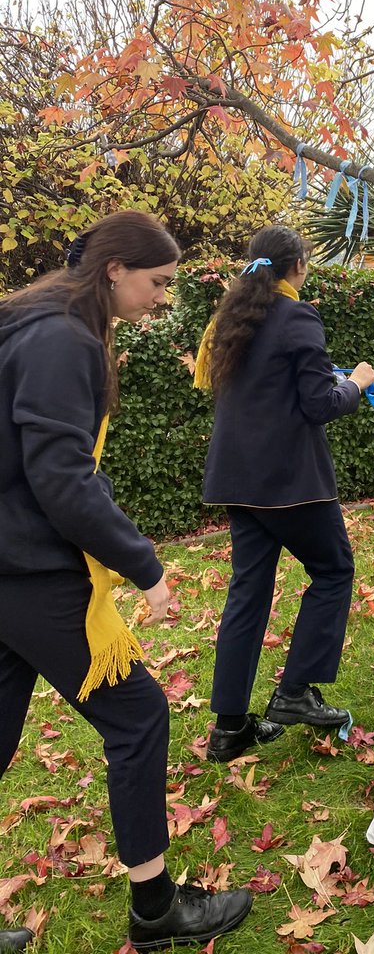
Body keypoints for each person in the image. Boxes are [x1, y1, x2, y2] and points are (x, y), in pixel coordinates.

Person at [0, 210, 252, 952]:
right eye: (159, 282)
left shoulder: (35, 319)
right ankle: (155, 910)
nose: (163, 297)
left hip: (7, 564)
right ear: (115, 269)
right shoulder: (61, 338)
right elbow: (62, 477)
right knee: (138, 715)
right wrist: (144, 566)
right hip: (26, 570)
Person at [194, 226, 374, 763]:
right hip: (290, 482)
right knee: (334, 569)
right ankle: (295, 692)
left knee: (248, 592)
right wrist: (357, 384)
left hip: (237, 479)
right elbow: (319, 404)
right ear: (297, 264)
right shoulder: (297, 315)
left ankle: (229, 728)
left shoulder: (228, 319)